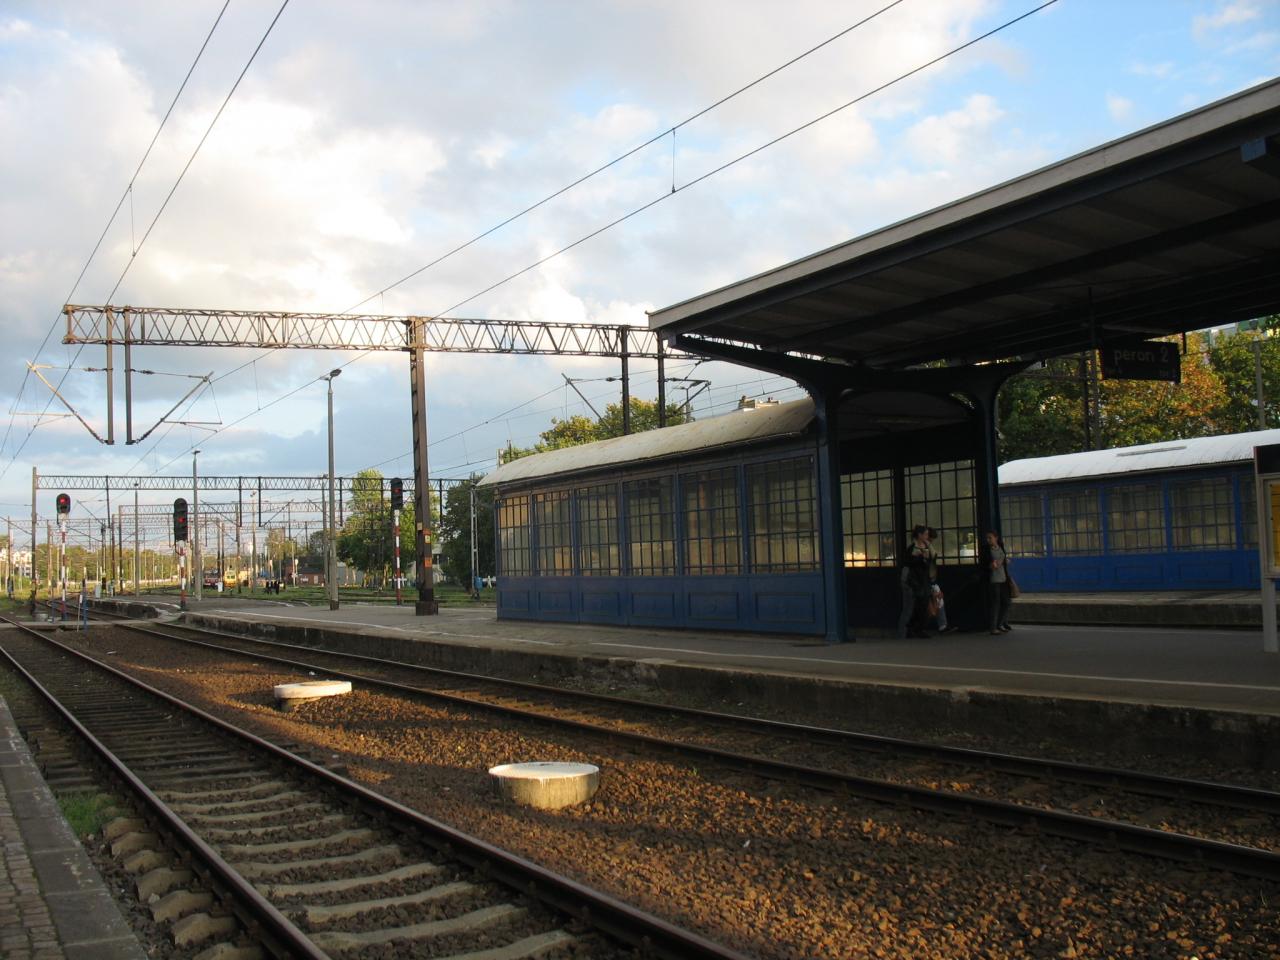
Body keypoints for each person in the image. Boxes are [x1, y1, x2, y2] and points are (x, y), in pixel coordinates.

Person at [897, 525, 933, 638]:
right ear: (920, 535)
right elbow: (908, 562)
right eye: (926, 534)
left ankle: (918, 628)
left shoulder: (927, 546)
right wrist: (920, 558)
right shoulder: (912, 548)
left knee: (923, 604)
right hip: (914, 580)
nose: (927, 536)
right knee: (911, 605)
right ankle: (906, 630)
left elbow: (931, 560)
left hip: (923, 578)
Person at [925, 527, 958, 634]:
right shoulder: (927, 548)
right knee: (938, 601)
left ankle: (941, 625)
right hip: (929, 579)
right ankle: (942, 625)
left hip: (929, 579)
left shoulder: (925, 547)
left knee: (936, 601)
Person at [982, 529, 1013, 635]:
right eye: (987, 538)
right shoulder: (986, 550)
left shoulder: (1000, 546)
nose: (988, 540)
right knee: (995, 603)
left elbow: (1003, 558)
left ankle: (1000, 623)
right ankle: (993, 627)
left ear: (996, 538)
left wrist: (1005, 561)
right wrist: (990, 565)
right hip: (994, 579)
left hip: (1003, 578)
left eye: (990, 538)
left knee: (1007, 602)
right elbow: (984, 564)